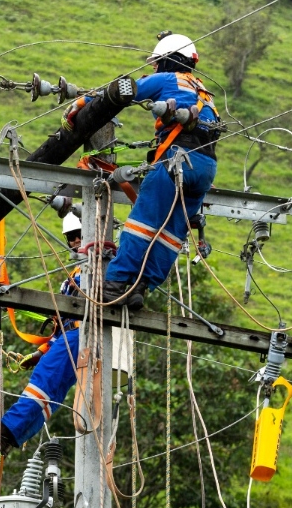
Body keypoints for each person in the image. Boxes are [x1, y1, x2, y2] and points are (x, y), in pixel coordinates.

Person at [63, 31, 219, 310]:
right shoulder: (205, 95)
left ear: (170, 61)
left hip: (176, 161)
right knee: (172, 233)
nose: (154, 68)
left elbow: (122, 92)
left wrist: (81, 103)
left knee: (142, 224)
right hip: (205, 169)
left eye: (157, 63)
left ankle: (112, 285)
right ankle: (140, 287)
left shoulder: (169, 79)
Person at [0, 211, 84, 453]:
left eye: (79, 235)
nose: (75, 242)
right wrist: (40, 352)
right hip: (72, 337)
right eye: (71, 237)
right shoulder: (75, 274)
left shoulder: (96, 268)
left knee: (44, 381)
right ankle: (12, 437)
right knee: (50, 394)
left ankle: (8, 428)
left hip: (79, 335)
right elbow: (61, 327)